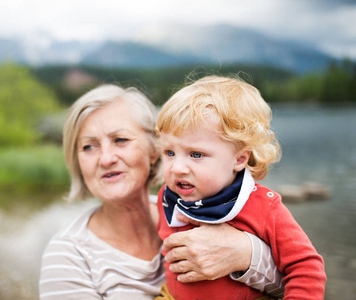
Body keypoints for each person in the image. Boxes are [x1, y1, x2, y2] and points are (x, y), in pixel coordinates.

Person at [39, 84, 285, 299]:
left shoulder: (195, 210)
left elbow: (293, 286)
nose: (105, 159)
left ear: (156, 148)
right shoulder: (67, 255)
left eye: (120, 140)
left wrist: (247, 255)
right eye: (88, 147)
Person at [156, 75, 327, 300]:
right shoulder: (166, 197)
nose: (177, 168)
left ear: (239, 159)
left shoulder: (264, 206)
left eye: (196, 154)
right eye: (169, 152)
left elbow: (307, 269)